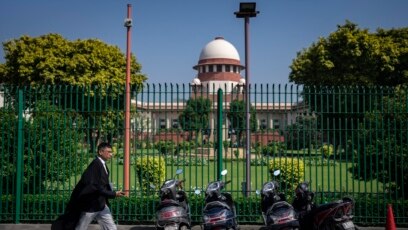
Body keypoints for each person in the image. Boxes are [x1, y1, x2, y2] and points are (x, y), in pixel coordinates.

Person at [52, 142, 125, 230]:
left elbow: (102, 184)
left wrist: (111, 193)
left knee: (111, 227)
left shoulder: (102, 164)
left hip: (101, 204)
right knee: (81, 227)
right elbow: (96, 186)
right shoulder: (95, 165)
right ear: (100, 152)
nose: (111, 154)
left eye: (111, 152)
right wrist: (113, 194)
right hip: (91, 205)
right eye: (108, 152)